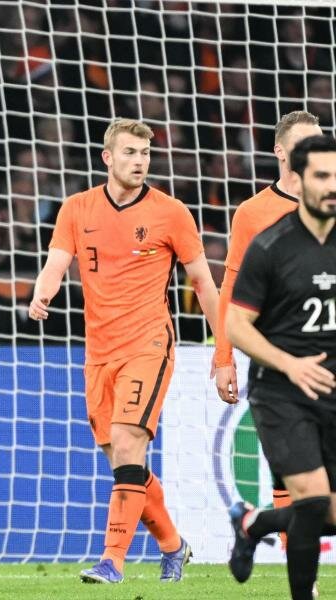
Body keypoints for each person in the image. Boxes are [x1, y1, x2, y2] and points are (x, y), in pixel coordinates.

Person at [29, 118, 220, 584]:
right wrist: (42, 292)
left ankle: (112, 560)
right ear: (108, 158)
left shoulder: (171, 213)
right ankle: (174, 546)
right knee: (125, 463)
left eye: (146, 154)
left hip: (149, 343)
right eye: (131, 153)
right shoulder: (77, 208)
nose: (140, 161)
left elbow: (203, 282)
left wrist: (225, 351)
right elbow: (57, 260)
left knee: (130, 442)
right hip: (98, 351)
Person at [225, 134, 336, 600]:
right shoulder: (271, 246)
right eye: (322, 176)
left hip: (331, 388)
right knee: (311, 502)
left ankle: (253, 524)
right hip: (281, 391)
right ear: (299, 179)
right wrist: (290, 364)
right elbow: (236, 325)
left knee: (327, 512)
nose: (333, 186)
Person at [213, 110, 322, 543]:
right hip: (278, 361)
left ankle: (254, 523)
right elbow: (230, 287)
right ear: (280, 151)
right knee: (293, 479)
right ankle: (305, 579)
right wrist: (224, 359)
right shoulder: (253, 213)